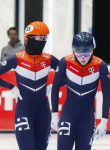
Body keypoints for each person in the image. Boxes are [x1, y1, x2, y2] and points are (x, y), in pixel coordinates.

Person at [0, 21, 65, 150]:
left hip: (43, 112)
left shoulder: (49, 58)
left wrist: (53, 85)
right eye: (39, 38)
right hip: (24, 111)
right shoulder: (17, 58)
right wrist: (11, 87)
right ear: (28, 38)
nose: (42, 41)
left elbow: (71, 76)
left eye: (45, 38)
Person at [51, 32, 110, 150]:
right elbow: (55, 88)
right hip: (68, 116)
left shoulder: (100, 65)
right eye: (78, 52)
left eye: (87, 53)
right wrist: (54, 115)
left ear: (93, 49)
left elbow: (106, 95)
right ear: (73, 49)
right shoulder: (65, 62)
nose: (83, 57)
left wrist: (104, 121)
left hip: (87, 119)